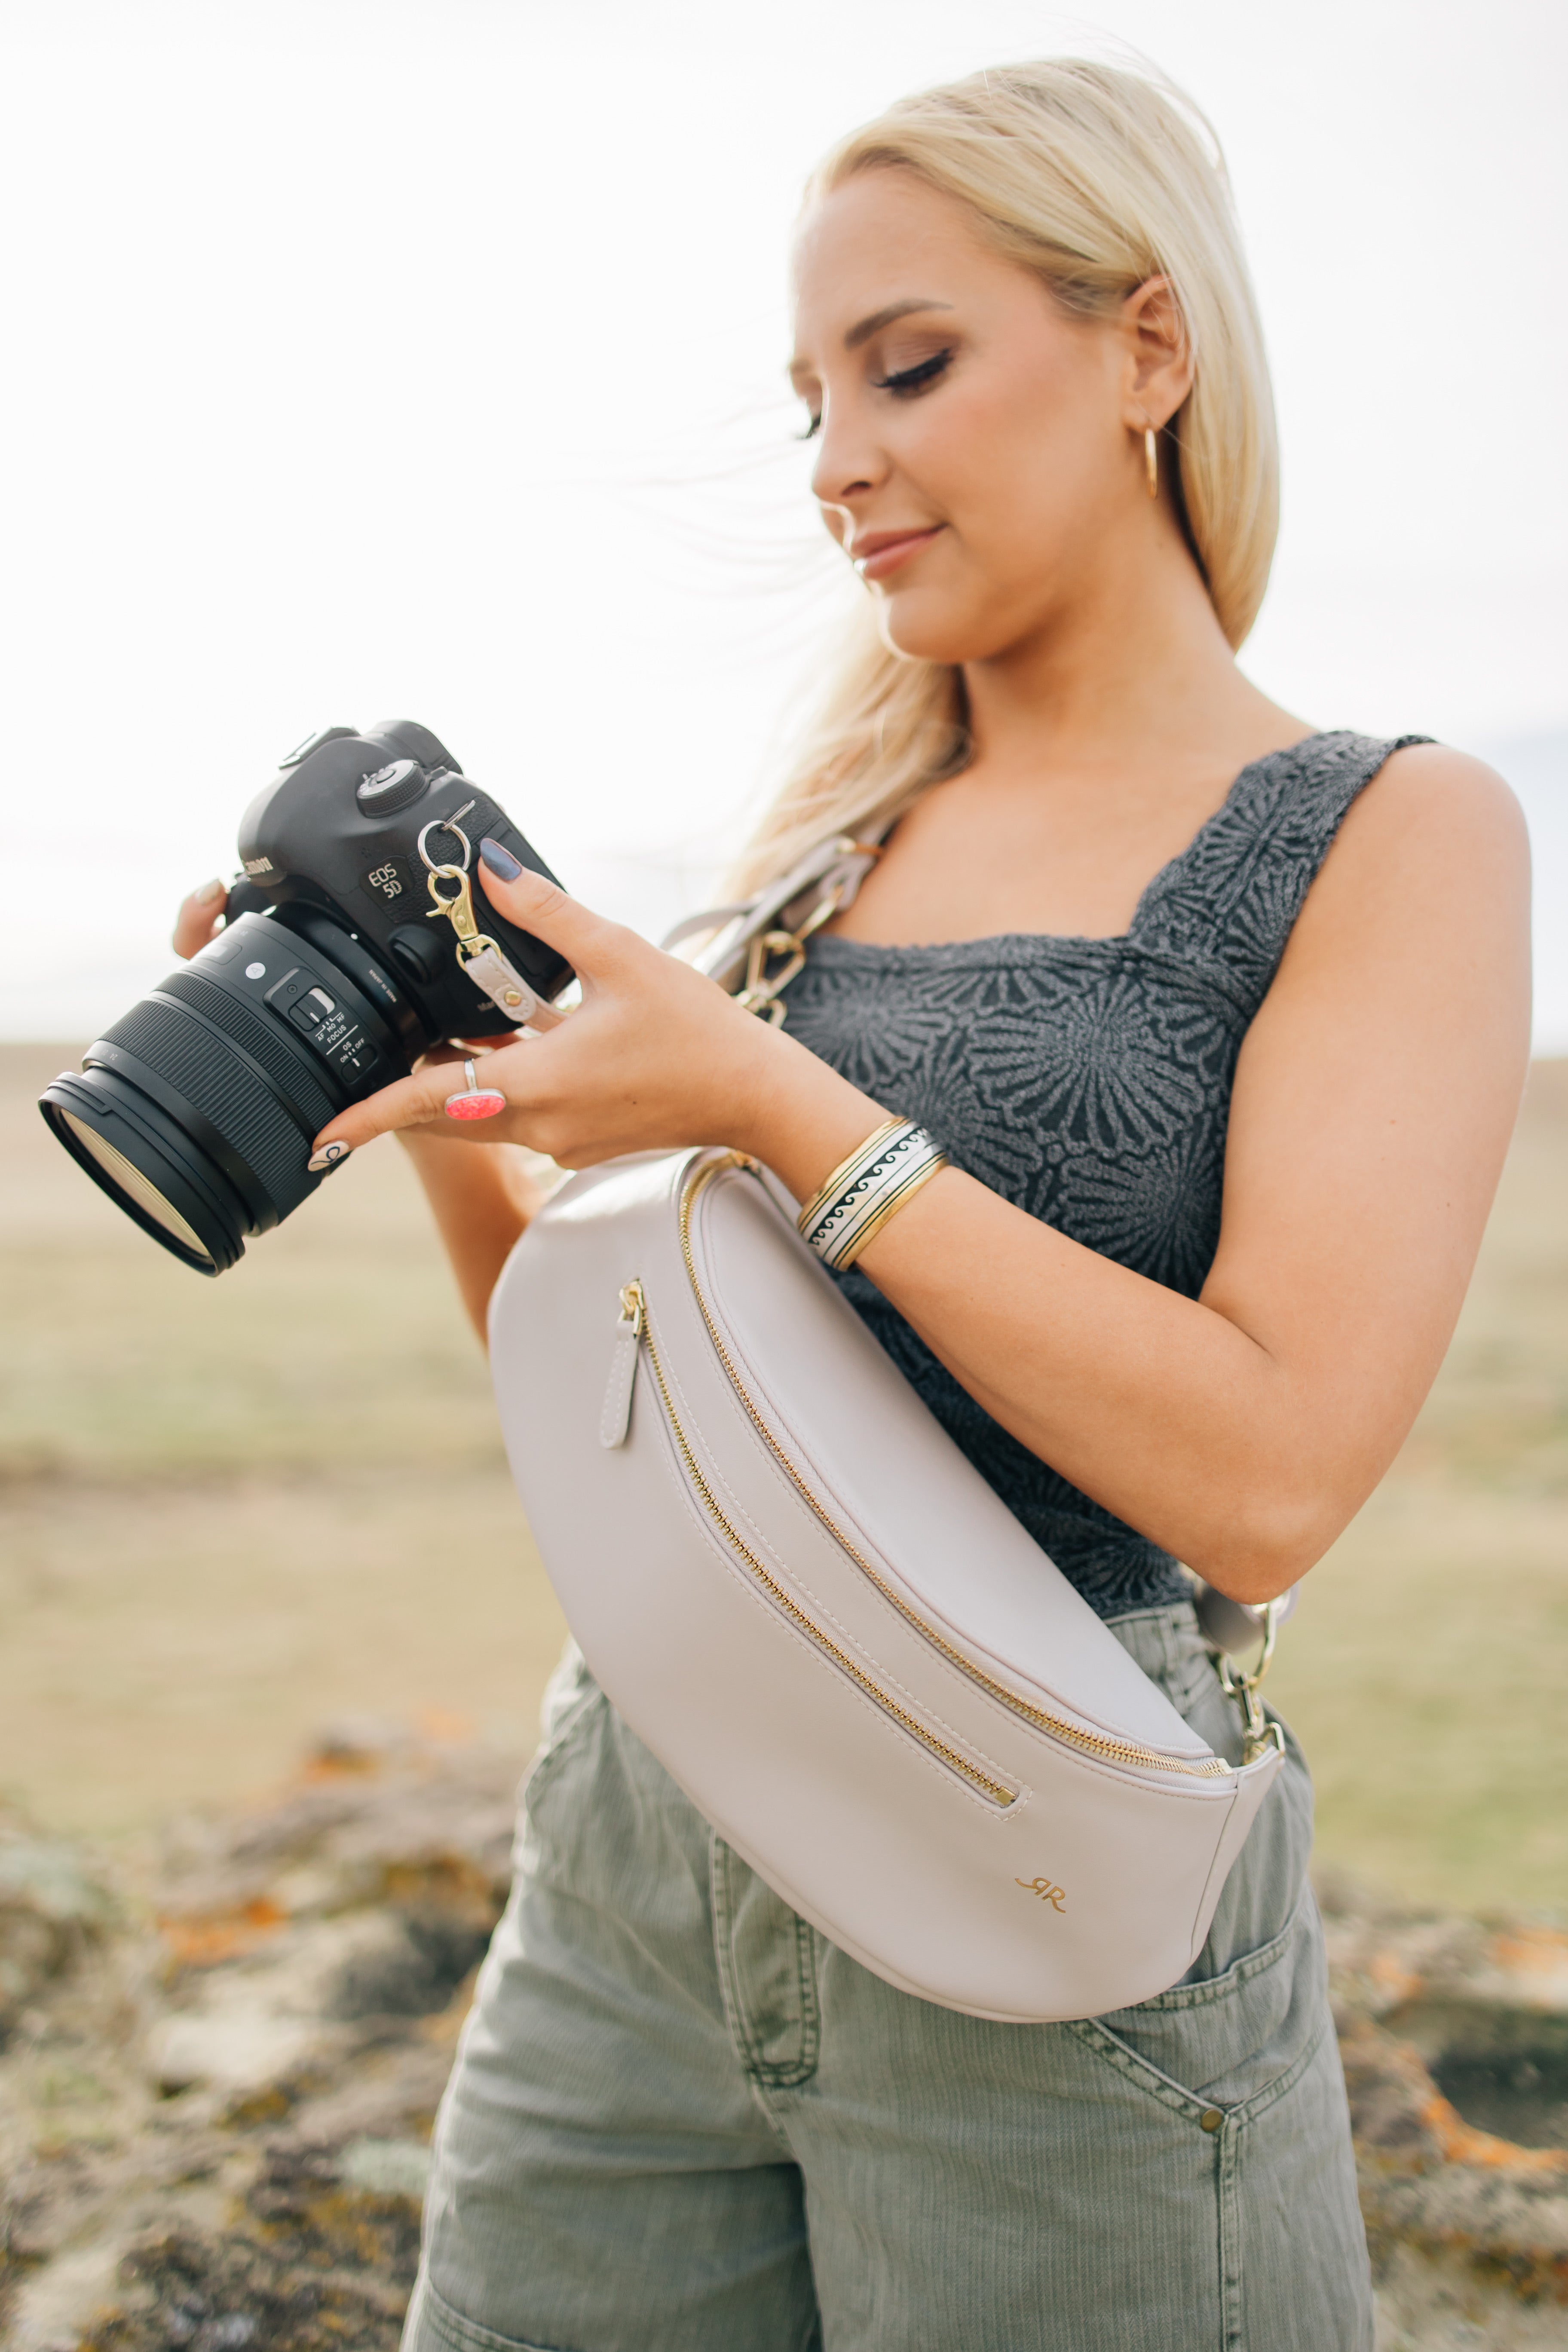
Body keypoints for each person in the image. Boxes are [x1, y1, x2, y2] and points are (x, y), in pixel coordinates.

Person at [176, 55, 1530, 2352]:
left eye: (905, 370)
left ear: (1149, 350)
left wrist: (780, 1108)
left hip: (1049, 1890)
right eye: (810, 402)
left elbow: (1272, 1477)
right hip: (643, 1847)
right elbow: (659, 1410)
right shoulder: (831, 825)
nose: (837, 467)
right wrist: (457, 1106)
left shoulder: (1388, 832)